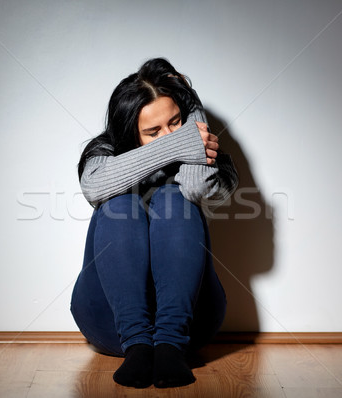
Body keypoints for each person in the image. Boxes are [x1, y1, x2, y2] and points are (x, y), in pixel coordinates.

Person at [70, 58, 239, 389]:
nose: (170, 135)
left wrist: (192, 106)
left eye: (176, 123)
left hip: (192, 324)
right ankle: (137, 345)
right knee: (120, 202)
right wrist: (178, 142)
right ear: (129, 132)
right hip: (108, 323)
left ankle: (168, 344)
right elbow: (94, 187)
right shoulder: (104, 152)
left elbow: (196, 186)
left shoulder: (213, 154)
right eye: (153, 132)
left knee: (176, 197)